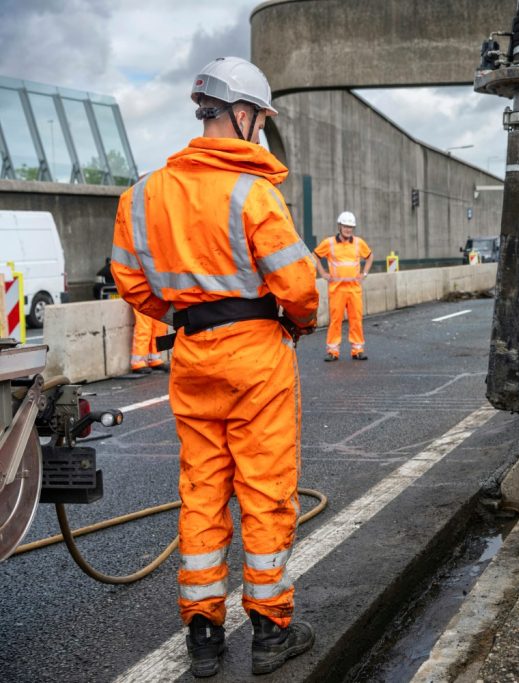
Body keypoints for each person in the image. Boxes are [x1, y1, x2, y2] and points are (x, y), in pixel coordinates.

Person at [110, 56, 318, 677]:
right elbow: (299, 285)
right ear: (244, 114)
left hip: (192, 357)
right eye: (259, 118)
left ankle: (203, 634)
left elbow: (131, 282)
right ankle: (269, 629)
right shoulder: (255, 194)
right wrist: (297, 324)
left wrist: (181, 316)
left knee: (202, 489)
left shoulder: (143, 194)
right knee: (265, 488)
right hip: (256, 355)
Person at [314, 212, 373, 361]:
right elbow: (314, 255)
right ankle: (333, 352)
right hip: (337, 289)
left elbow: (370, 256)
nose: (348, 229)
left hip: (354, 289)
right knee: (335, 321)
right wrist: (323, 273)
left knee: (356, 320)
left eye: (351, 227)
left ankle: (357, 350)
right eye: (346, 226)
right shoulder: (329, 243)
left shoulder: (359, 243)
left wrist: (364, 274)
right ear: (340, 226)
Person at [129, 308, 169, 374]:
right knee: (143, 328)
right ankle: (138, 362)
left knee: (159, 328)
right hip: (144, 300)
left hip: (160, 300)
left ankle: (154, 359)